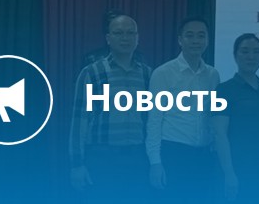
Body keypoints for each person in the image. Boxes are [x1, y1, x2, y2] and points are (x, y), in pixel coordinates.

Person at [69, 13, 152, 203]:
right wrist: (76, 165)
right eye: (118, 33)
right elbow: (79, 121)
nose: (125, 38)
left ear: (138, 38)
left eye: (130, 33)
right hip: (102, 159)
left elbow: (151, 120)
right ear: (108, 38)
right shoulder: (91, 72)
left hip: (139, 159)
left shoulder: (147, 74)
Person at [146, 17, 221, 203]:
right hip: (174, 154)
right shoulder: (163, 73)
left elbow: (212, 117)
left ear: (207, 40)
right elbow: (154, 121)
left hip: (204, 156)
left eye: (201, 36)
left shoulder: (213, 74)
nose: (196, 41)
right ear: (180, 40)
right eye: (190, 35)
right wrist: (155, 163)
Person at [214, 33, 259, 200]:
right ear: (235, 55)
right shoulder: (222, 90)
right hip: (235, 170)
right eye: (245, 51)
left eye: (256, 52)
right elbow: (220, 134)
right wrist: (229, 174)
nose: (251, 56)